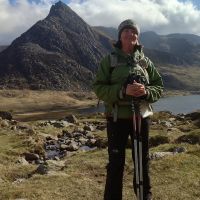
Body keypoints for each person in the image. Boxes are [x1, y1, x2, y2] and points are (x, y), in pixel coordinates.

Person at [93, 19, 163, 200]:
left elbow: (159, 87)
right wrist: (122, 91)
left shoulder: (146, 62)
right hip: (117, 118)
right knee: (116, 162)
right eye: (126, 31)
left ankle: (144, 196)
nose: (130, 34)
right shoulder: (109, 61)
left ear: (138, 38)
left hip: (141, 117)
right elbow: (98, 87)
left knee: (142, 159)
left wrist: (146, 91)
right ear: (120, 36)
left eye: (134, 32)